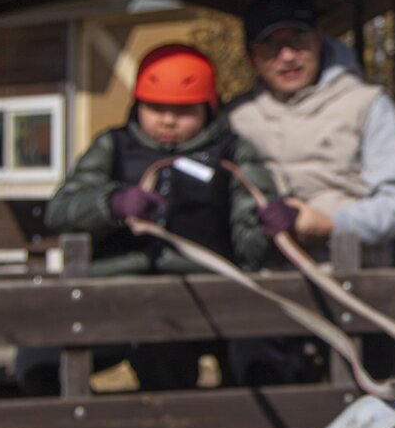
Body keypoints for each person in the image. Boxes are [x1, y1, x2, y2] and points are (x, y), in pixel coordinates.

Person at [18, 44, 289, 394]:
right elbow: (59, 211)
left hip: (204, 292)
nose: (168, 121)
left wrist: (268, 228)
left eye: (184, 110)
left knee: (251, 355)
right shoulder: (113, 146)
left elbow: (251, 246)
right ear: (137, 105)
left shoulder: (231, 153)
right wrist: (111, 203)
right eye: (156, 108)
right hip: (112, 291)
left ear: (209, 109)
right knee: (38, 362)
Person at [226, 0, 395, 266]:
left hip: (354, 276)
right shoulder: (235, 117)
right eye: (270, 45)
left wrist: (331, 225)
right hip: (263, 279)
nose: (288, 56)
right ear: (251, 55)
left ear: (319, 39)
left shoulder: (367, 104)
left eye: (298, 39)